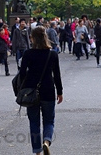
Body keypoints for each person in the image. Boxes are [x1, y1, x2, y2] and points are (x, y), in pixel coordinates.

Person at [20, 26, 63, 155]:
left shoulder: (28, 54)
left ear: (33, 38)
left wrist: (22, 89)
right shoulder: (52, 54)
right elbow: (57, 75)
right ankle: (47, 141)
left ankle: (37, 151)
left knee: (34, 122)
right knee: (49, 120)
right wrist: (60, 92)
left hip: (31, 91)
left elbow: (22, 74)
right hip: (48, 90)